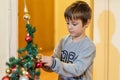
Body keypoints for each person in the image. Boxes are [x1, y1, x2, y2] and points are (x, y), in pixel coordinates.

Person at [40, 1, 96, 80]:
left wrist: (53, 63)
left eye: (74, 24)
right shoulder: (63, 41)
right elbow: (54, 64)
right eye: (67, 23)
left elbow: (77, 69)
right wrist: (44, 63)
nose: (69, 27)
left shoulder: (89, 46)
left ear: (87, 23)